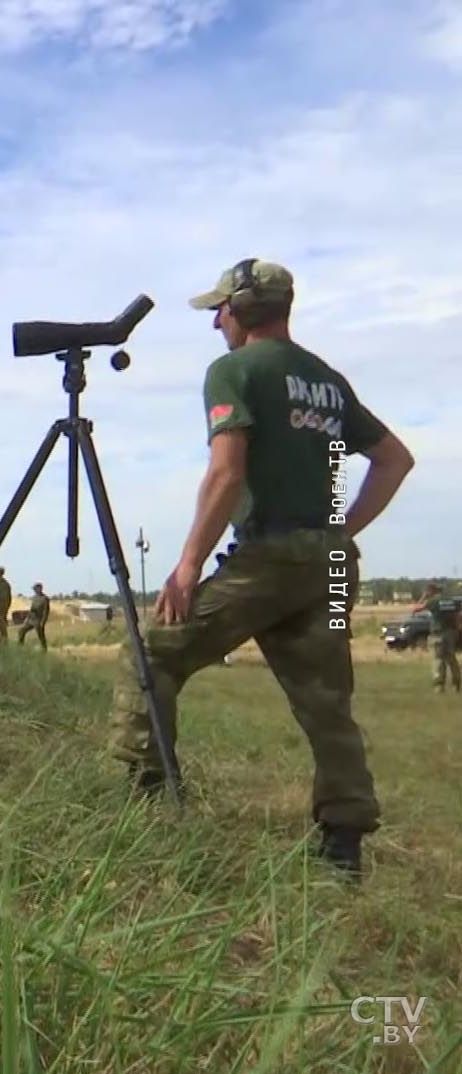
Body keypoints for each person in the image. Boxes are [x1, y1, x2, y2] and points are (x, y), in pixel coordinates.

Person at [108, 257, 416, 880]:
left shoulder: (233, 371)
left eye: (218, 309)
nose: (215, 321)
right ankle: (343, 845)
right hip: (330, 564)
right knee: (327, 701)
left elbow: (227, 471)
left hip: (270, 558)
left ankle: (147, 794)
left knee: (154, 652)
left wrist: (188, 563)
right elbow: (395, 460)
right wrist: (341, 531)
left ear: (242, 310)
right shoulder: (327, 381)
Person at [412, 583, 460, 692]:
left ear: (431, 591)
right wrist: (456, 630)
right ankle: (456, 683)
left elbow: (415, 609)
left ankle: (439, 685)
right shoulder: (452, 601)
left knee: (438, 659)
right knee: (452, 658)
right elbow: (457, 617)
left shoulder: (433, 601)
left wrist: (423, 597)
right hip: (451, 633)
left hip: (438, 634)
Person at [19, 582, 51, 651]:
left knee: (41, 636)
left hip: (38, 620)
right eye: (34, 589)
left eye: (35, 589)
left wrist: (43, 622)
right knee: (21, 631)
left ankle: (44, 650)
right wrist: (26, 616)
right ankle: (20, 647)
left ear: (40, 589)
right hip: (30, 619)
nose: (34, 590)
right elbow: (32, 608)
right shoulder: (34, 597)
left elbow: (46, 612)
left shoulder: (45, 599)